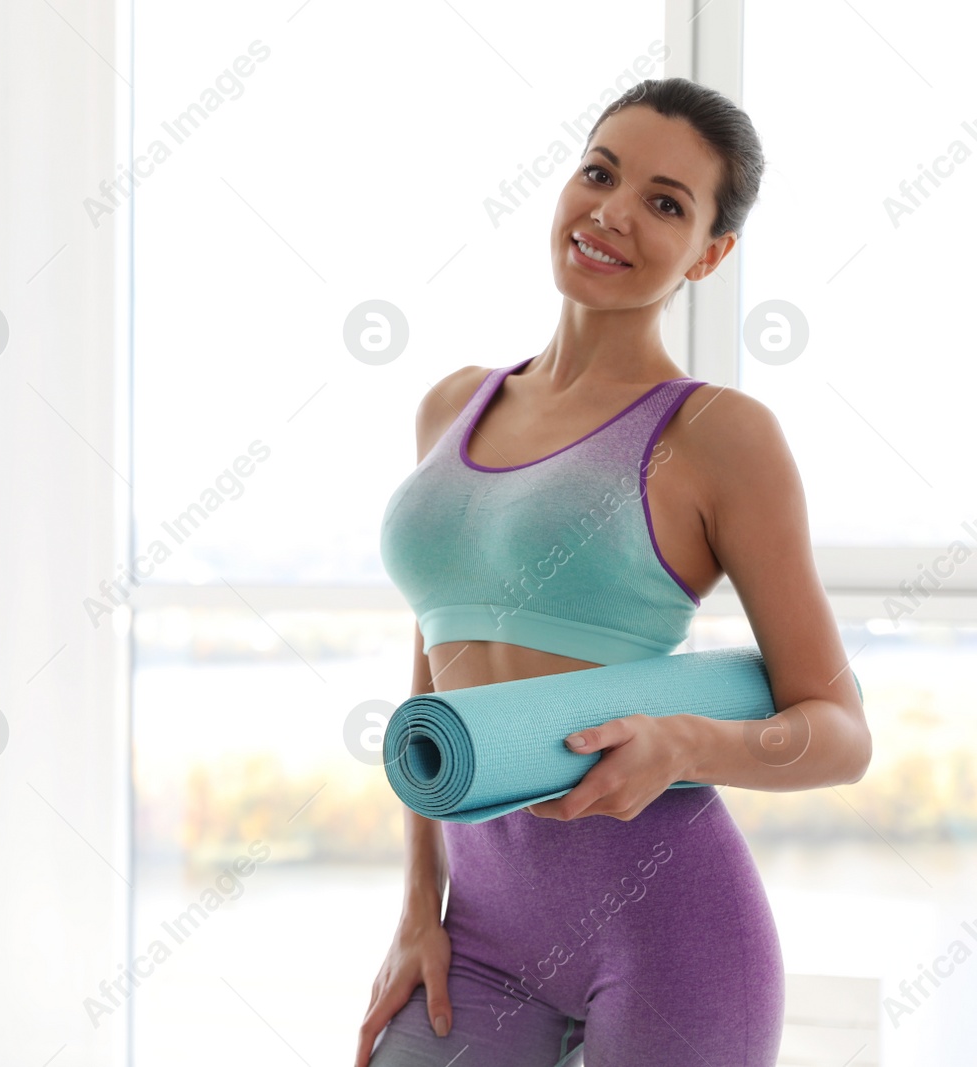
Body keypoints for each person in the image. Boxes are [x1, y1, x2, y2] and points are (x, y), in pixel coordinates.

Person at [359, 77, 872, 1067]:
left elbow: (839, 731)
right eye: (599, 173)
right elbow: (434, 666)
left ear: (711, 253)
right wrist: (418, 904)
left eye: (665, 202)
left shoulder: (717, 435)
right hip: (477, 927)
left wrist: (682, 742)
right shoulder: (451, 404)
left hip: (666, 930)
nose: (612, 211)